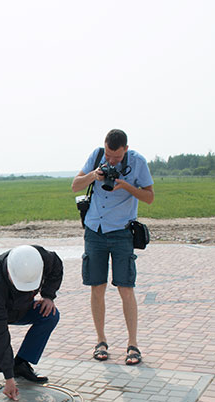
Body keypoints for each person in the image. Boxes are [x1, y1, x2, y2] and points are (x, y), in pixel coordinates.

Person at [71, 129, 154, 365]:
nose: (111, 160)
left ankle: (133, 345)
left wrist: (126, 186)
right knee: (96, 287)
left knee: (125, 288)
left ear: (125, 149)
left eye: (116, 157)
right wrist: (93, 176)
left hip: (122, 233)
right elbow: (75, 185)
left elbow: (149, 197)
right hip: (95, 231)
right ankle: (100, 341)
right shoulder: (97, 156)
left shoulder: (138, 162)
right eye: (109, 155)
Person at [0, 244, 63, 400]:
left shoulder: (41, 257)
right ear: (9, 271)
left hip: (17, 307)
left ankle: (21, 364)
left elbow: (56, 267)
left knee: (50, 315)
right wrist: (8, 378)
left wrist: (48, 296)